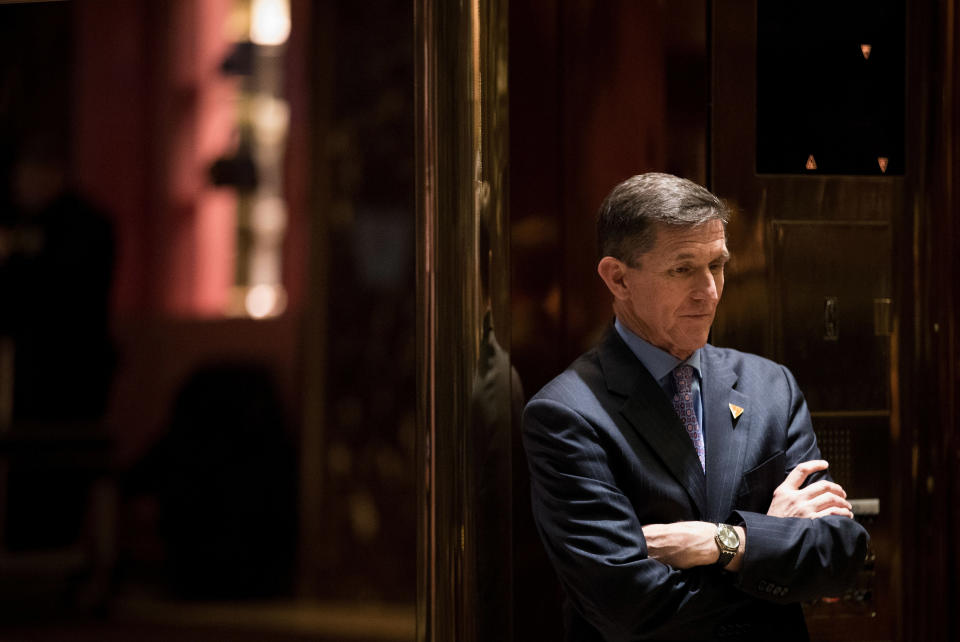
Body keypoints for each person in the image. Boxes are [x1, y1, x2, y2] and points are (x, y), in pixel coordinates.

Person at [522, 173, 869, 641]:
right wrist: (770, 543)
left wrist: (720, 543)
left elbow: (840, 556)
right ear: (617, 277)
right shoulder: (567, 413)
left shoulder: (772, 386)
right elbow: (626, 605)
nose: (709, 290)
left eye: (717, 265)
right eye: (682, 269)